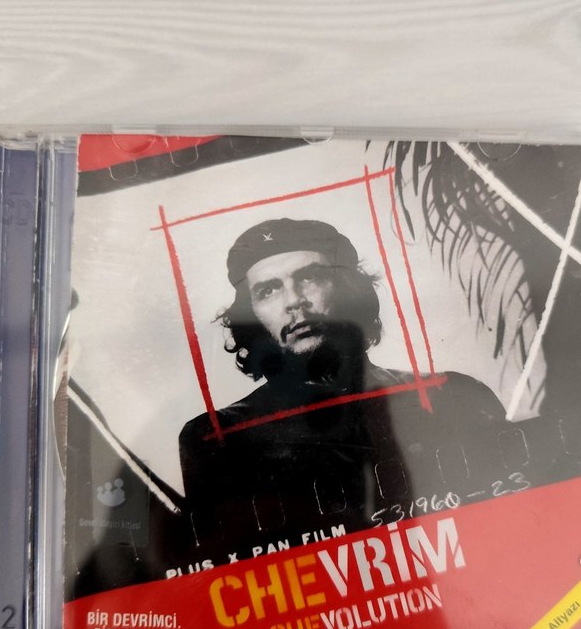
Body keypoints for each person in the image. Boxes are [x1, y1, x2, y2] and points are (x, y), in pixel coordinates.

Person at [176, 218, 511, 571]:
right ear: (252, 316)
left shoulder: (455, 396)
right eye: (268, 291)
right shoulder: (218, 438)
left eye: (310, 277)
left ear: (350, 289)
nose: (294, 301)